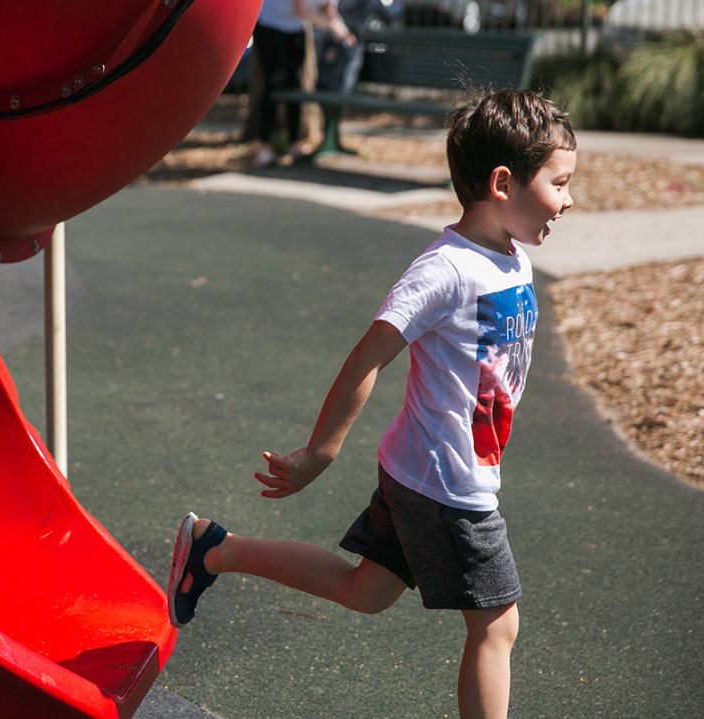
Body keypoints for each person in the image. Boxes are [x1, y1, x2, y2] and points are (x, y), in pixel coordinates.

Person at [168, 89, 577, 719]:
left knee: (367, 591)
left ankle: (214, 548)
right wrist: (319, 454)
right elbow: (368, 355)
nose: (569, 200)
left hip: (425, 469)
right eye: (559, 183)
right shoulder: (446, 269)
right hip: (445, 484)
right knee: (497, 626)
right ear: (503, 183)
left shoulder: (511, 257)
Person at [251, 0, 355, 167]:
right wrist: (331, 26)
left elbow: (329, 9)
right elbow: (300, 9)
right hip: (270, 24)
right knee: (273, 84)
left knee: (296, 84)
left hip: (296, 28)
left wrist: (342, 29)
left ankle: (295, 142)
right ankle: (264, 144)